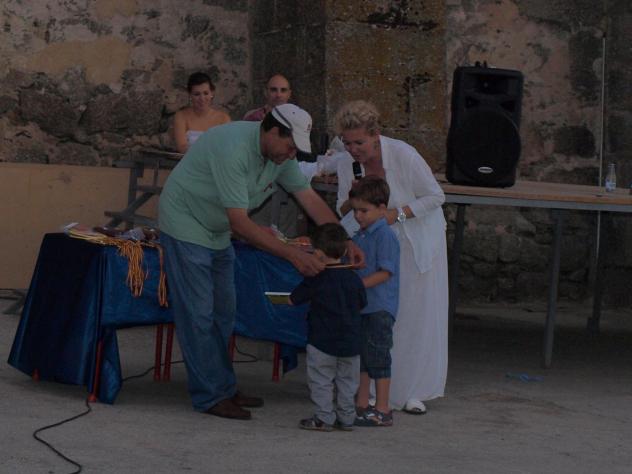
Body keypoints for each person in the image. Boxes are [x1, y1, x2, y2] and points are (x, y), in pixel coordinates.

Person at [159, 103, 364, 420]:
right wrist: (294, 255)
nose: (292, 154)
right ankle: (210, 395)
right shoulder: (234, 150)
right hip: (185, 223)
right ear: (271, 131)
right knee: (199, 314)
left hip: (216, 230)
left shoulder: (280, 155)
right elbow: (241, 223)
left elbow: (308, 198)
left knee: (224, 313)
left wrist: (344, 239)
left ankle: (223, 387)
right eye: (290, 146)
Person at [334, 100, 448, 415]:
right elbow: (342, 209)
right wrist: (352, 199)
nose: (353, 149)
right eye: (347, 143)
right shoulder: (345, 163)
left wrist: (396, 214)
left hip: (415, 239)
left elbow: (436, 196)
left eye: (359, 142)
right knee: (377, 313)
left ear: (375, 135)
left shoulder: (403, 154)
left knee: (412, 313)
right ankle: (372, 391)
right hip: (374, 246)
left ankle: (413, 391)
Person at [290, 223, 367, 432]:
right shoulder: (354, 279)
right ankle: (347, 417)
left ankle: (324, 417)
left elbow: (295, 298)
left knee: (321, 380)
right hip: (351, 341)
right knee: (348, 382)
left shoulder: (316, 279)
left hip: (321, 340)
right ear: (344, 251)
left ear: (317, 253)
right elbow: (362, 302)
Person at [348, 176, 400, 427]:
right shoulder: (360, 235)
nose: (358, 216)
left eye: (364, 211)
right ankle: (362, 402)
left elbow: (385, 272)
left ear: (381, 209)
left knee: (378, 356)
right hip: (363, 305)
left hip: (379, 306)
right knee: (363, 355)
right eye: (355, 210)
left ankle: (383, 408)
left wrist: (356, 285)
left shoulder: (385, 235)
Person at [172, 72, 231, 154]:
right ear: (190, 95)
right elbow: (182, 147)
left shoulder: (223, 119)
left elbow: (226, 148)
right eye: (197, 94)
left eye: (206, 93)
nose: (202, 98)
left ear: (212, 93)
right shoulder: (181, 116)